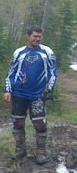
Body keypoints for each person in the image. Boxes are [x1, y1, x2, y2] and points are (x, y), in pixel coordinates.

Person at [4, 25, 58, 164]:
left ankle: (41, 153)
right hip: (19, 94)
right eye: (35, 36)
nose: (37, 39)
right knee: (18, 123)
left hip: (38, 95)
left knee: (40, 124)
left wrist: (49, 90)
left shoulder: (47, 52)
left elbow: (53, 73)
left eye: (39, 36)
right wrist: (8, 90)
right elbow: (11, 73)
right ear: (28, 36)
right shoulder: (19, 53)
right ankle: (20, 151)